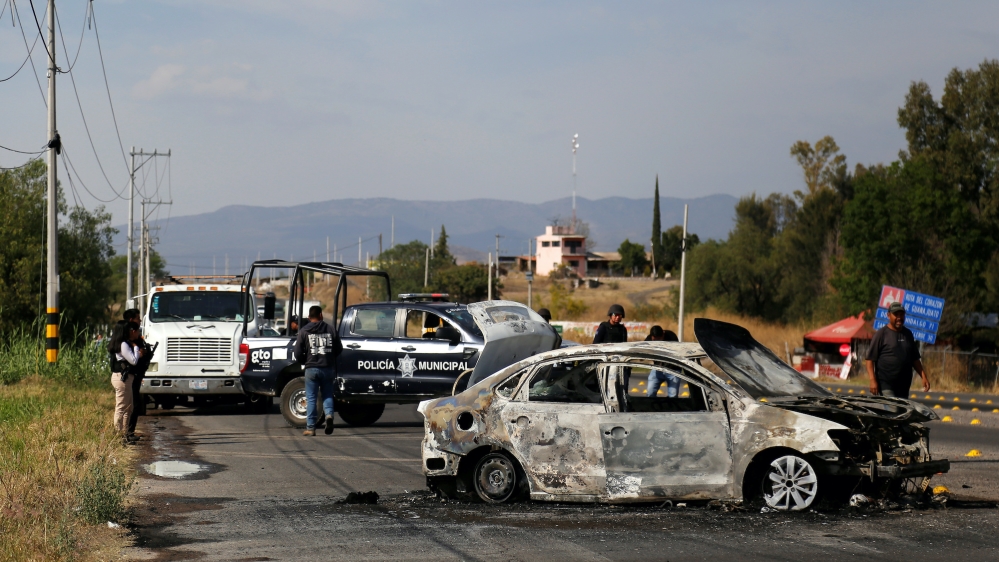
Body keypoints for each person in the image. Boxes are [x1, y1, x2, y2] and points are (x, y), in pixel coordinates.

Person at [294, 306, 343, 436]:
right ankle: (329, 416)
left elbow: (297, 352)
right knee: (327, 394)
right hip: (327, 368)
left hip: (311, 368)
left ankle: (311, 428)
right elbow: (339, 348)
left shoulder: (304, 331)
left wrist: (304, 360)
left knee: (311, 398)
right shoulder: (331, 329)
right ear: (321, 315)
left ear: (310, 318)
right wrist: (330, 358)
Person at [866, 301, 932, 397]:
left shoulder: (908, 334)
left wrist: (923, 376)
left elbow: (915, 359)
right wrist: (872, 380)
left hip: (904, 384)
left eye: (901, 315)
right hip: (886, 383)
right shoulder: (881, 334)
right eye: (896, 315)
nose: (899, 318)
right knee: (894, 410)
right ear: (888, 315)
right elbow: (870, 360)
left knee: (902, 411)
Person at [109, 321, 143, 443]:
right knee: (122, 407)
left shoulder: (120, 343)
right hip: (122, 379)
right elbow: (133, 360)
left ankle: (124, 435)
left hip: (124, 378)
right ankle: (118, 436)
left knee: (129, 407)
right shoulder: (123, 344)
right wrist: (136, 349)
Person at [123, 308, 152, 441]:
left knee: (134, 405)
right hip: (129, 375)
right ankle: (127, 433)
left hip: (136, 375)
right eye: (137, 319)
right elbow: (133, 359)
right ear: (131, 321)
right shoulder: (126, 339)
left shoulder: (135, 338)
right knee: (131, 405)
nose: (140, 321)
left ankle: (129, 432)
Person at [645, 326, 681, 397]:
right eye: (655, 340)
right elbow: (642, 350)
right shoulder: (649, 339)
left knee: (673, 395)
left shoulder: (671, 337)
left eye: (659, 339)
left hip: (673, 369)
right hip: (658, 369)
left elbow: (676, 353)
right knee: (650, 392)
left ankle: (670, 407)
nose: (657, 342)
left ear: (663, 334)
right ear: (652, 337)